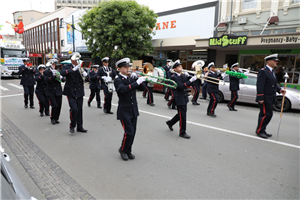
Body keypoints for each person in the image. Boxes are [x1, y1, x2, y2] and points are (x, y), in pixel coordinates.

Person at [114, 58, 146, 160]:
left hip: (133, 109)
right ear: (119, 69)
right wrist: (136, 82)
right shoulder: (118, 79)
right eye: (125, 67)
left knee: (133, 132)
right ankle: (123, 150)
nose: (128, 69)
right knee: (129, 132)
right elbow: (122, 90)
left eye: (128, 67)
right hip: (124, 110)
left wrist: (142, 79)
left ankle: (128, 150)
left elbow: (142, 88)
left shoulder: (130, 78)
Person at [256, 54, 285, 139]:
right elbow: (260, 85)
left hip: (270, 97)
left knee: (268, 114)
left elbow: (273, 84)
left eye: (277, 61)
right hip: (264, 98)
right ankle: (260, 131)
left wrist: (279, 89)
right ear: (269, 61)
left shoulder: (272, 71)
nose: (276, 62)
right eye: (275, 61)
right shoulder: (263, 71)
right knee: (266, 114)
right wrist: (260, 97)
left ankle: (262, 129)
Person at [166, 60, 197, 139]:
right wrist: (191, 80)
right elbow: (181, 86)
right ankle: (182, 132)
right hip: (179, 98)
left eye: (181, 66)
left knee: (181, 113)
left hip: (184, 97)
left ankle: (170, 122)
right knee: (182, 115)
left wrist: (191, 76)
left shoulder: (181, 76)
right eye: (179, 67)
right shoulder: (174, 77)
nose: (181, 68)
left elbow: (189, 82)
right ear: (175, 69)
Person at [60, 53, 88, 133]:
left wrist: (85, 74)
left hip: (79, 91)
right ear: (72, 59)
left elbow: (87, 78)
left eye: (78, 59)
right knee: (74, 109)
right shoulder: (66, 66)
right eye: (75, 59)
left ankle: (80, 126)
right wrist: (72, 69)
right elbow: (62, 73)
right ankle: (72, 125)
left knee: (79, 109)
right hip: (70, 91)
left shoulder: (81, 67)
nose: (77, 61)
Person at [44, 59, 65, 125]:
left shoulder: (58, 71)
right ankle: (52, 118)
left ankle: (56, 118)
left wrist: (61, 77)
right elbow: (46, 80)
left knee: (59, 105)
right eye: (53, 64)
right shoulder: (46, 72)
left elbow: (63, 80)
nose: (54, 65)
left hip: (58, 90)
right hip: (50, 91)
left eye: (55, 64)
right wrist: (53, 75)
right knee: (54, 105)